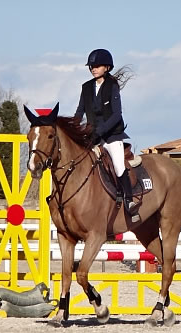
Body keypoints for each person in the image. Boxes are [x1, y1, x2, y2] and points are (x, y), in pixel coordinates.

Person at [74, 48, 138, 218]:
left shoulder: (112, 86)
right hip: (92, 136)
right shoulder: (86, 87)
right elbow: (80, 111)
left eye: (96, 66)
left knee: (118, 164)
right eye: (91, 66)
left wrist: (99, 132)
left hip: (111, 136)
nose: (93, 68)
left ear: (107, 67)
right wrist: (73, 130)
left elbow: (117, 115)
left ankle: (129, 200)